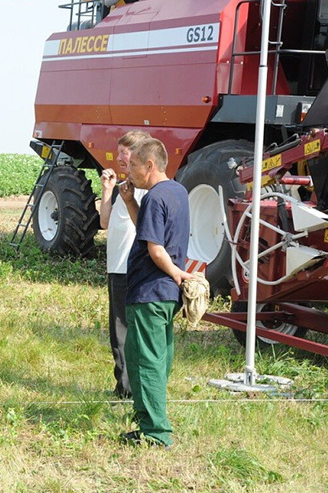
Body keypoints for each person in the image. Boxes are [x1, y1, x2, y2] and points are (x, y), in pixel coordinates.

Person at [121, 137, 193, 448]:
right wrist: (128, 201)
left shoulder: (154, 197)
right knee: (157, 357)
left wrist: (177, 274)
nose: (129, 171)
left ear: (150, 165)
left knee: (144, 360)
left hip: (151, 289)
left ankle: (155, 433)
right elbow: (150, 230)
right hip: (165, 296)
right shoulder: (177, 191)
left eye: (134, 165)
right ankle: (150, 417)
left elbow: (155, 248)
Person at [99, 130, 150, 399]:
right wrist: (107, 191)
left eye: (124, 152)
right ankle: (127, 385)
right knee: (119, 329)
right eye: (118, 152)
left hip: (128, 268)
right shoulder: (126, 188)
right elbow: (105, 222)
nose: (118, 157)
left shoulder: (141, 190)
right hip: (115, 266)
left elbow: (142, 225)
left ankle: (127, 390)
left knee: (123, 330)